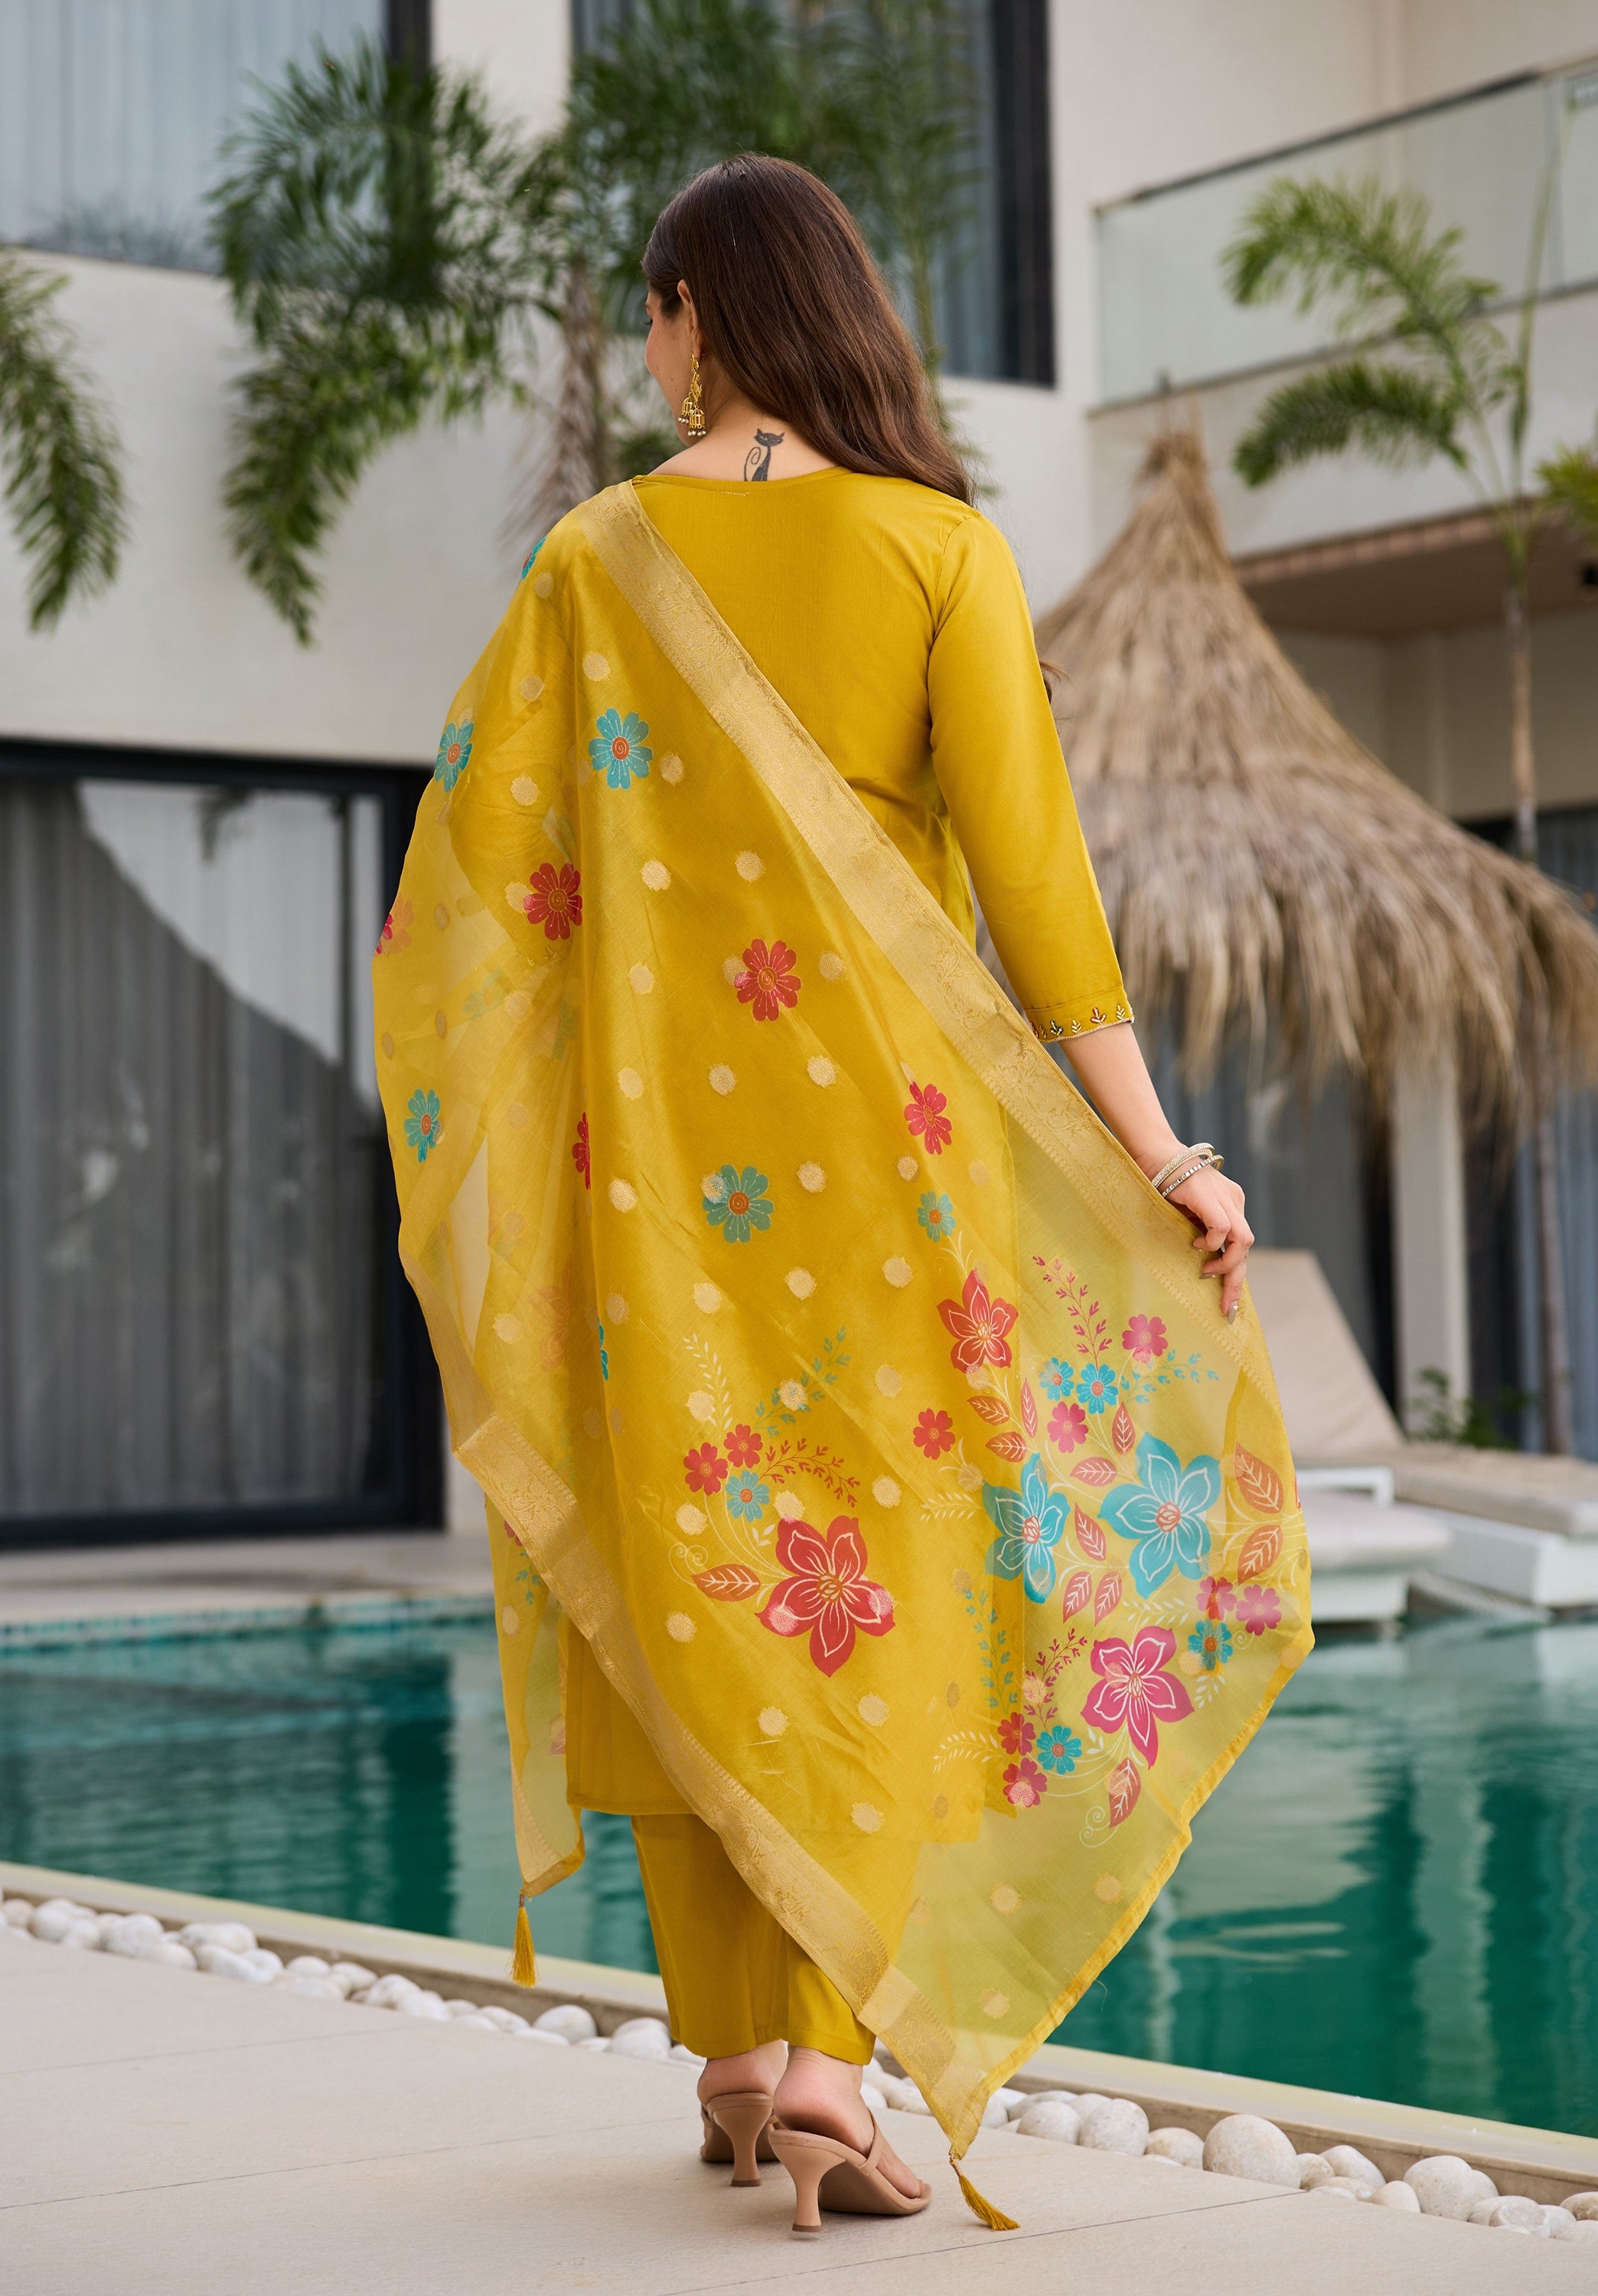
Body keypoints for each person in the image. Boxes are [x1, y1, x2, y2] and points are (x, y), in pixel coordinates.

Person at [374, 154, 1309, 2237]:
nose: (645, 343)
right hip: (889, 1173)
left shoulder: (591, 563)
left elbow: (478, 907)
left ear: (704, 307)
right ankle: (818, 2065)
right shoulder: (934, 548)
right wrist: (1159, 1147)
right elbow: (1038, 892)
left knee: (708, 1569)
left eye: (653, 306)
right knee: (876, 1590)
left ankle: (725, 2058)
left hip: (650, 1193)